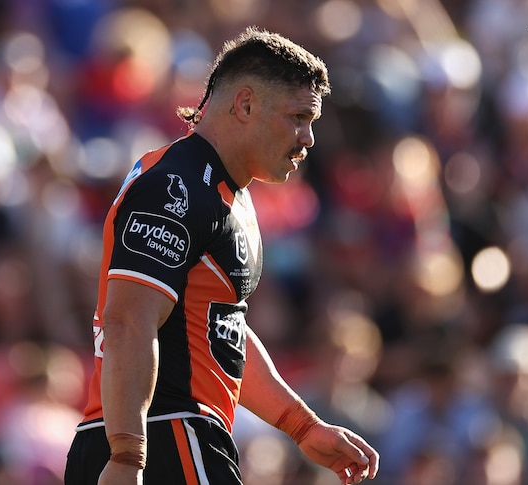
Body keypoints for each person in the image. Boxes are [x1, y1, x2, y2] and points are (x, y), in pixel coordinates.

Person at [64, 26, 380, 485]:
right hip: (163, 435)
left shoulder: (228, 195)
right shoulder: (177, 184)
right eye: (297, 116)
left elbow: (219, 329)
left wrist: (301, 426)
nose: (308, 138)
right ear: (245, 104)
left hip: (161, 436)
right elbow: (128, 320)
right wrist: (128, 455)